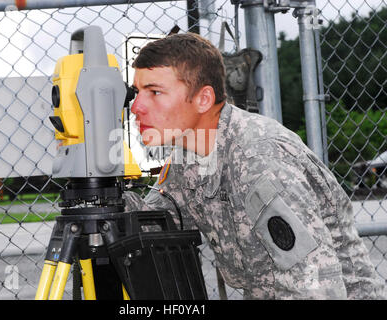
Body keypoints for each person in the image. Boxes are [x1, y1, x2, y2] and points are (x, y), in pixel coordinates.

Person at [123, 32, 386, 300]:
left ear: (203, 99)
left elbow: (317, 290)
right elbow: (155, 224)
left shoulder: (258, 159)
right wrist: (96, 186)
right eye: (137, 92)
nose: (137, 107)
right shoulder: (189, 156)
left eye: (155, 92)